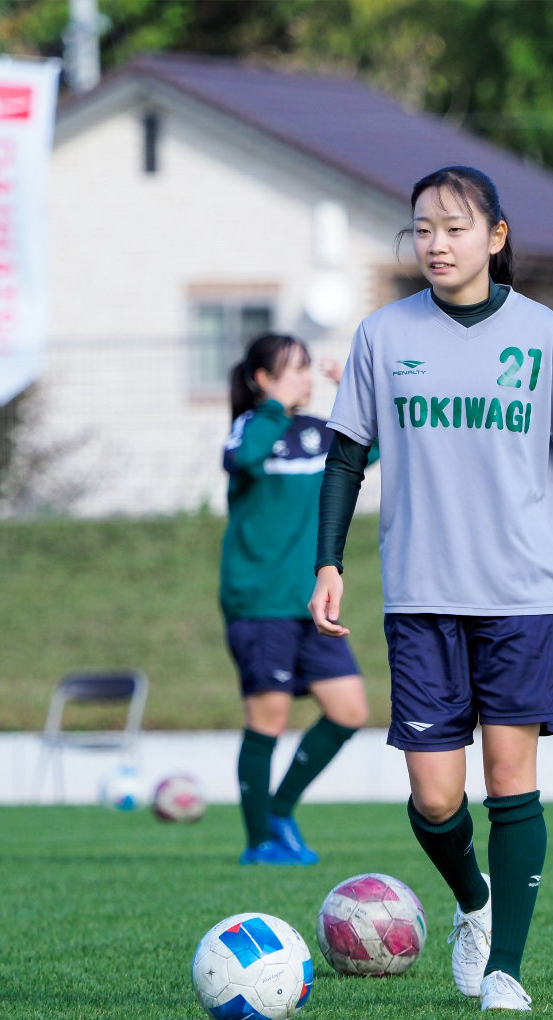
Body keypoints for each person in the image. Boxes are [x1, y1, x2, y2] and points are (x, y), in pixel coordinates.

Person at [309, 165, 553, 1011]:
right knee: (436, 797)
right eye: (423, 229)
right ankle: (472, 901)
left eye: (454, 227)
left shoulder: (546, 335)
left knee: (512, 781)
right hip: (420, 595)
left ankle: (505, 969)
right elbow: (345, 456)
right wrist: (328, 561)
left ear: (496, 237)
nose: (436, 244)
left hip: (520, 594)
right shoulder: (382, 335)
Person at [222, 332, 373, 866]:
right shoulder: (250, 428)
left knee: (350, 709)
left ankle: (280, 809)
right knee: (269, 718)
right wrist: (271, 409)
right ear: (262, 380)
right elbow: (248, 459)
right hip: (260, 602)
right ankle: (258, 840)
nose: (305, 378)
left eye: (307, 367)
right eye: (291, 369)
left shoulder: (317, 432)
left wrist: (352, 392)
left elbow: (371, 447)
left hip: (312, 604)